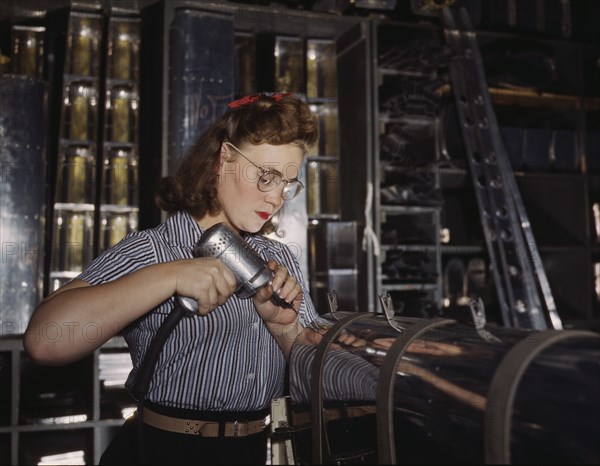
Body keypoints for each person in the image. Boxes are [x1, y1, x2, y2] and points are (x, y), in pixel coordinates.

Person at [23, 93, 321, 465]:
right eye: (266, 177)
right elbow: (43, 341)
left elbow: (318, 383)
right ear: (224, 158)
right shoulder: (154, 249)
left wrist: (284, 329)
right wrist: (168, 276)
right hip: (164, 450)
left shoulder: (279, 259)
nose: (277, 197)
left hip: (249, 452)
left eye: (288, 184)